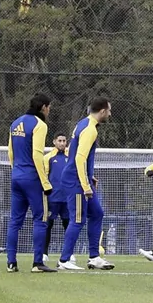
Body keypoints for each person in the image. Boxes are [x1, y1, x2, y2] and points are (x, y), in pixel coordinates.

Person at [59, 97, 115, 271]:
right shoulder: (90, 129)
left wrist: (91, 176)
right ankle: (64, 260)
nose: (110, 114)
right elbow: (79, 158)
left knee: (97, 213)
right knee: (77, 219)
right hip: (76, 181)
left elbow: (74, 151)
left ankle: (94, 257)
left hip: (82, 178)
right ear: (103, 111)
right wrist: (85, 185)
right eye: (109, 110)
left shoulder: (83, 123)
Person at [5, 95, 56, 273]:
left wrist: (16, 171)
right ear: (43, 107)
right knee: (41, 219)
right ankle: (37, 263)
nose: (49, 111)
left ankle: (11, 263)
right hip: (32, 178)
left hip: (16, 176)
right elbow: (37, 155)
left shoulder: (15, 123)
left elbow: (10, 152)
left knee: (15, 221)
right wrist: (45, 182)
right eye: (49, 107)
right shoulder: (40, 125)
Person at [40, 134, 70, 262]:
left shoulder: (71, 157)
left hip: (68, 198)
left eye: (64, 141)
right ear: (54, 142)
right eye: (60, 141)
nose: (62, 143)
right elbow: (44, 176)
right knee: (48, 225)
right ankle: (44, 253)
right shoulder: (48, 158)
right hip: (52, 197)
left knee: (68, 225)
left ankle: (69, 253)